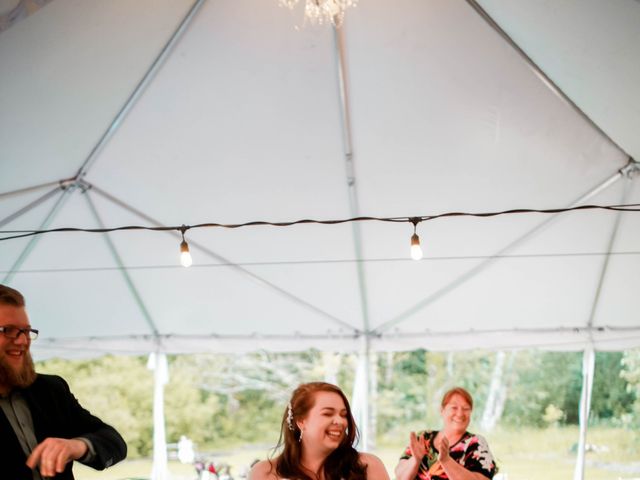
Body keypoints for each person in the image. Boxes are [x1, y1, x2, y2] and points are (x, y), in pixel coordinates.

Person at [0, 284, 127, 479]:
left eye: (26, 331)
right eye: (7, 330)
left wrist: (77, 446)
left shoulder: (50, 390)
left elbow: (114, 442)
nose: (22, 341)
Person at [250, 381, 389, 480]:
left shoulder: (368, 466)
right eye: (328, 414)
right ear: (301, 421)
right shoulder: (266, 472)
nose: (340, 421)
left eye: (343, 414)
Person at [395, 387, 496, 480]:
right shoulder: (424, 437)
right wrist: (415, 460)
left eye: (466, 409)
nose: (460, 414)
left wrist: (447, 461)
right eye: (454, 408)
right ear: (442, 410)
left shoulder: (476, 443)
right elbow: (399, 476)